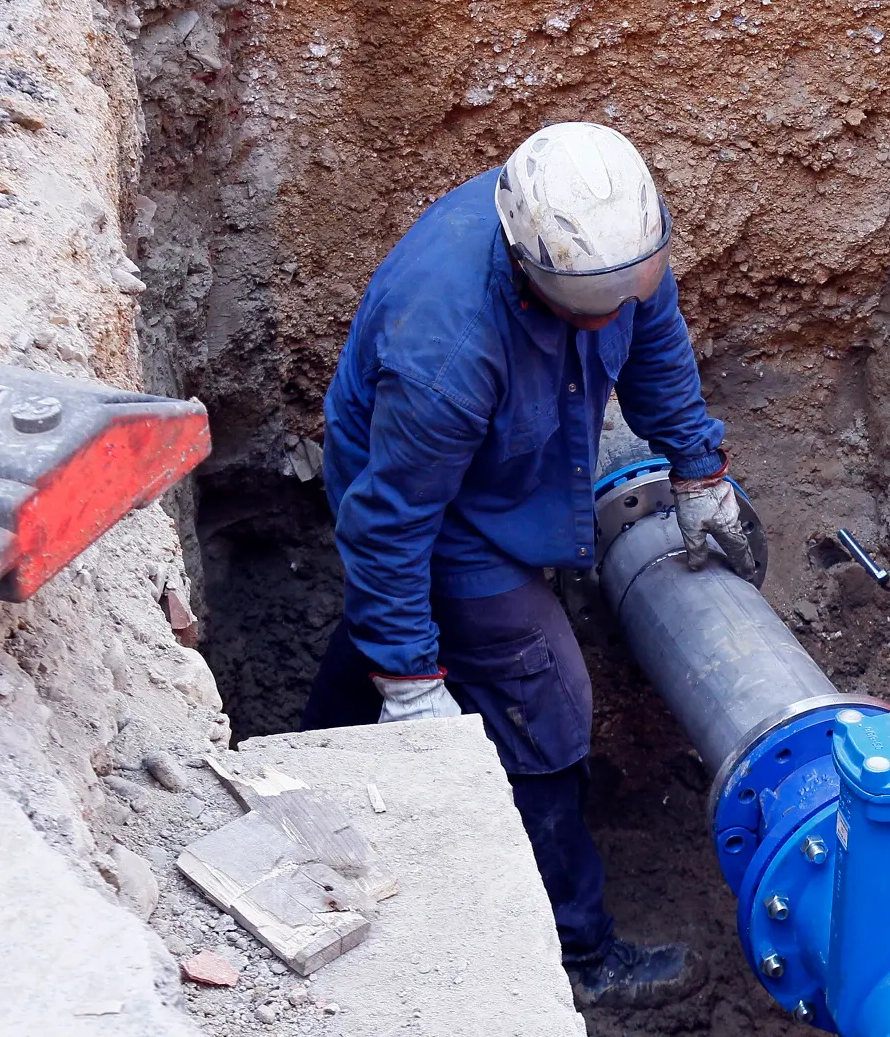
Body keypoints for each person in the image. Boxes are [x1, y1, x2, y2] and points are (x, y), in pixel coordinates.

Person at [300, 121, 755, 1007]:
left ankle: (319, 755)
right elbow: (393, 527)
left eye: (627, 295)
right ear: (526, 266)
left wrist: (699, 466)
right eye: (589, 307)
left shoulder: (613, 241)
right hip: (443, 509)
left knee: (410, 644)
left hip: (510, 458)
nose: (612, 313)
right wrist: (410, 684)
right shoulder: (449, 347)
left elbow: (652, 344)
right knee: (544, 705)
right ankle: (577, 957)